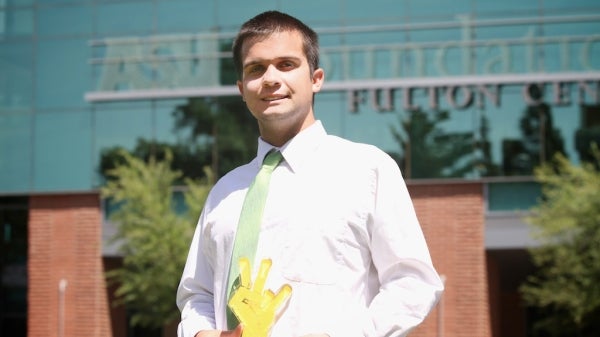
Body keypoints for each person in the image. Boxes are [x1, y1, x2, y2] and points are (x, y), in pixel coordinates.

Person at [176, 10, 444, 337]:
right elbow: (197, 293)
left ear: (316, 79)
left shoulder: (368, 170)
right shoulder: (224, 192)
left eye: (286, 64)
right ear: (241, 89)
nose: (271, 78)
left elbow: (413, 282)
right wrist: (203, 334)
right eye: (256, 69)